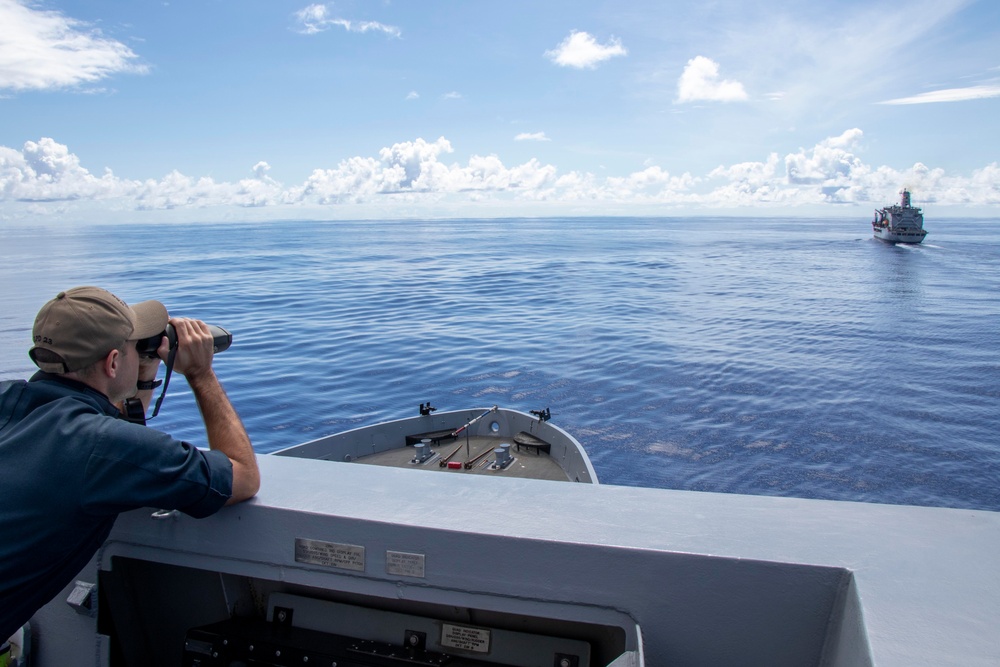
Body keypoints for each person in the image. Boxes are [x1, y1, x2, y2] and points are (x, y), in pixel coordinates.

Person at [0, 286, 260, 642]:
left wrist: (141, 368)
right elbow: (242, 477)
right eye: (132, 347)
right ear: (112, 362)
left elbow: (111, 433)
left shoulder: (10, 401)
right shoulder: (102, 447)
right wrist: (201, 374)